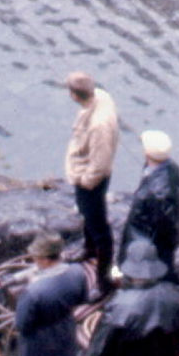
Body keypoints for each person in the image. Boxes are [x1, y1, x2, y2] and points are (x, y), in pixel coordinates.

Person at [7, 232, 90, 356]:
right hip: (65, 333)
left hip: (37, 343)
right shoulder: (78, 272)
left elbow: (22, 325)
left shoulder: (33, 292)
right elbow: (82, 298)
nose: (33, 260)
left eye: (35, 257)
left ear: (44, 259)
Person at [62, 71, 119, 286]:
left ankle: (103, 279)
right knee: (88, 217)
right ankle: (88, 250)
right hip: (87, 177)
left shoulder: (99, 126)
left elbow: (100, 163)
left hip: (91, 182)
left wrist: (85, 182)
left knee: (99, 227)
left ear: (76, 95)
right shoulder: (101, 97)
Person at [121, 128, 179, 273]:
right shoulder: (171, 167)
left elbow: (164, 228)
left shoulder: (157, 194)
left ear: (147, 153)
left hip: (144, 237)